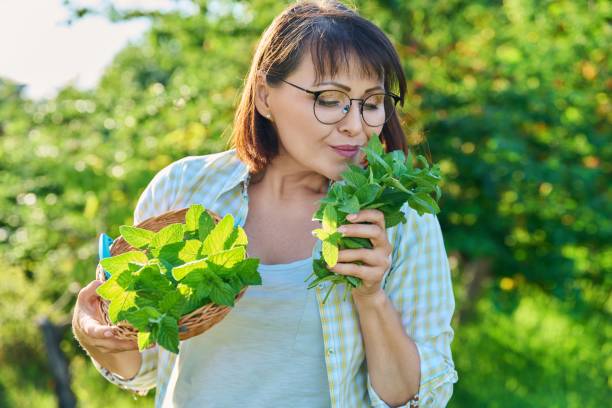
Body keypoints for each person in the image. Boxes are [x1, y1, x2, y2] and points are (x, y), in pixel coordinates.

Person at [71, 1, 458, 407]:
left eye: (372, 102)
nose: (355, 125)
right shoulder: (185, 189)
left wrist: (371, 296)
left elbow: (413, 399)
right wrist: (95, 334)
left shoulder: (399, 219)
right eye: (329, 99)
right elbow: (145, 364)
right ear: (264, 96)